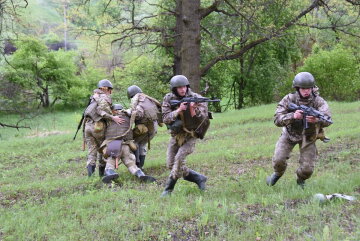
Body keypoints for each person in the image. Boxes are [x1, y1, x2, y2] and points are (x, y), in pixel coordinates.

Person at [266, 72, 332, 188]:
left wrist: (316, 120)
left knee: (307, 169)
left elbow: (327, 119)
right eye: (303, 88)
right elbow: (277, 119)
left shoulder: (319, 101)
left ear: (312, 88)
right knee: (278, 160)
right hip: (289, 134)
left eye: (309, 88)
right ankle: (277, 174)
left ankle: (300, 180)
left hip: (308, 136)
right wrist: (292, 116)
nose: (306, 91)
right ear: (297, 88)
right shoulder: (289, 99)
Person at [160, 75, 209, 197]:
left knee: (179, 159)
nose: (182, 89)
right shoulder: (168, 99)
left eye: (184, 87)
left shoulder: (197, 98)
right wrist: (178, 111)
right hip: (176, 136)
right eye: (179, 88)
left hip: (190, 135)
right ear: (174, 89)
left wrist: (193, 110)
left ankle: (168, 189)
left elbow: (203, 119)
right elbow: (165, 118)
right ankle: (199, 178)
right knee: (171, 165)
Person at [99, 104, 156, 183]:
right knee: (131, 163)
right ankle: (140, 174)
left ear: (113, 111)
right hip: (126, 145)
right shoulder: (129, 117)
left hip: (114, 145)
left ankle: (111, 173)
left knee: (110, 164)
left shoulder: (109, 119)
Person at [83, 79, 124, 177]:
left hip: (87, 126)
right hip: (98, 127)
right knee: (103, 148)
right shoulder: (105, 97)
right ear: (108, 89)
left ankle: (91, 177)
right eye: (111, 90)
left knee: (92, 151)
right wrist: (113, 117)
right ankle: (102, 174)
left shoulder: (93, 97)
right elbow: (103, 111)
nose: (111, 92)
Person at [126, 85, 162, 169]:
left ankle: (137, 165)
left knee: (133, 143)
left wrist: (129, 112)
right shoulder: (148, 99)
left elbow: (138, 114)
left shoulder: (138, 100)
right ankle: (140, 166)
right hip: (153, 126)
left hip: (145, 128)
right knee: (142, 144)